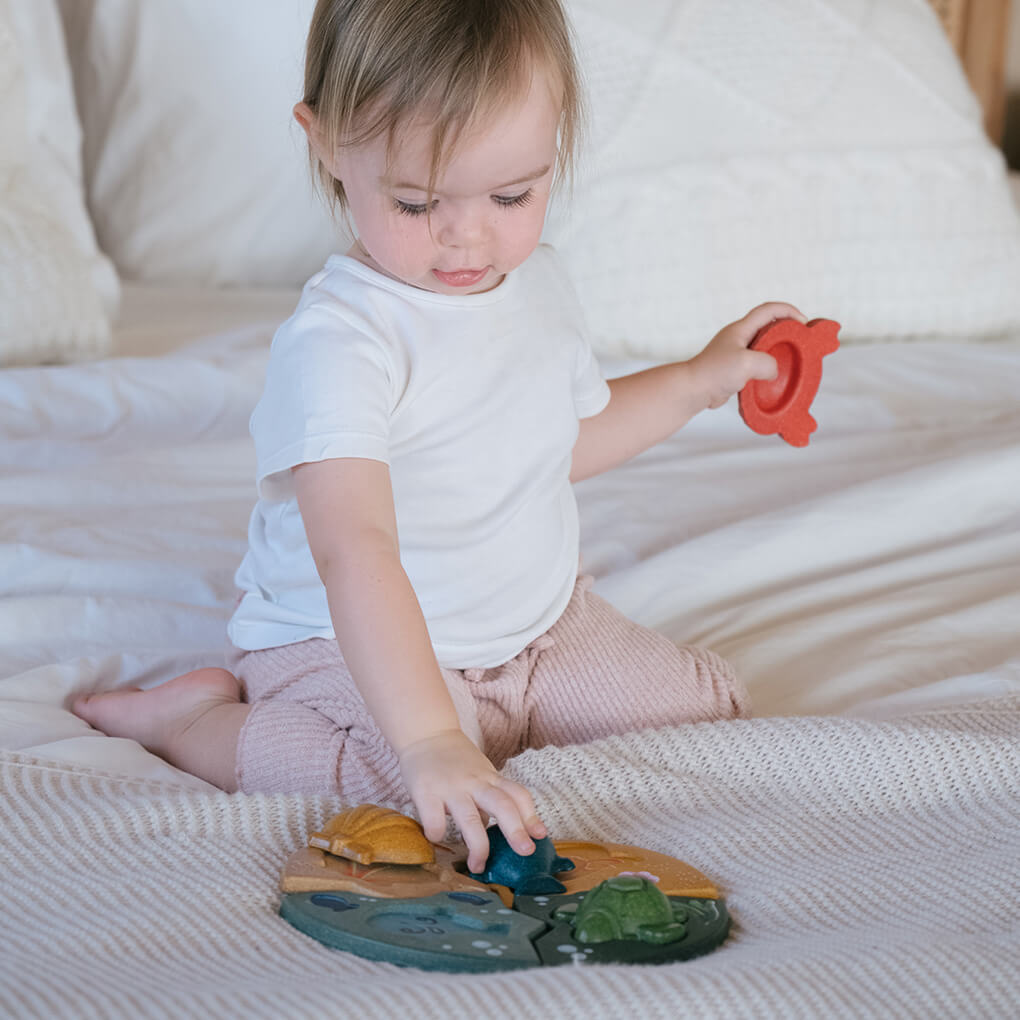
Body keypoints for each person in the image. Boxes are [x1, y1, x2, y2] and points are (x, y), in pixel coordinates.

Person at [73, 0, 802, 874]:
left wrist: (694, 381)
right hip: (341, 638)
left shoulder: (538, 287)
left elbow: (556, 446)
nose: (468, 235)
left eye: (511, 195)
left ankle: (488, 721)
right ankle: (194, 723)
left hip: (535, 626)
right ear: (326, 143)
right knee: (405, 790)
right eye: (417, 202)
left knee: (704, 712)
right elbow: (357, 548)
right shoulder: (343, 341)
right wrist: (427, 739)